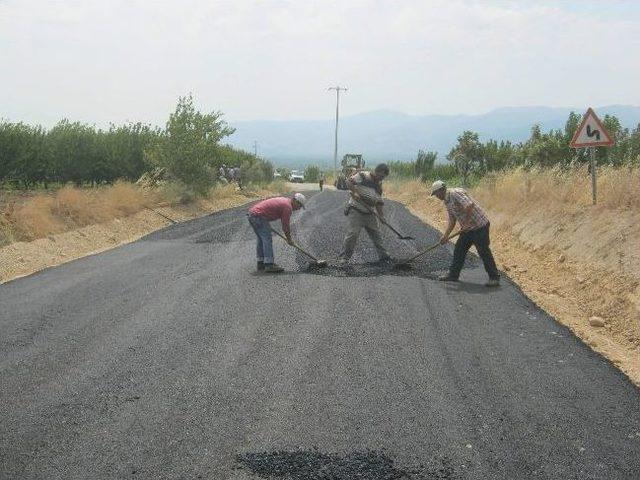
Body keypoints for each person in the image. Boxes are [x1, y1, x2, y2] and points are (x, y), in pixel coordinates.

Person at [430, 180, 500, 287]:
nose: (436, 196)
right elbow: (452, 220)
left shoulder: (454, 193)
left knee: (483, 251)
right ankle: (453, 275)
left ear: (441, 190)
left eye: (436, 193)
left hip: (479, 226)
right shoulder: (447, 201)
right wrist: (446, 236)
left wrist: (467, 223)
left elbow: (469, 205)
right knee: (459, 250)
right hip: (467, 230)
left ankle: (494, 278)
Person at [338, 163, 391, 265]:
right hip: (356, 210)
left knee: (377, 235)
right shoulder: (362, 176)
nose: (382, 179)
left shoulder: (378, 185)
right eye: (381, 176)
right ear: (377, 171)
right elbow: (348, 181)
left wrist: (381, 216)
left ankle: (384, 256)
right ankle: (345, 258)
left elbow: (378, 202)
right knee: (353, 234)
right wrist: (355, 192)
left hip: (369, 213)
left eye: (383, 178)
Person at [247, 193, 306, 273]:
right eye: (300, 206)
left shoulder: (286, 202)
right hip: (258, 216)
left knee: (261, 240)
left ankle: (261, 263)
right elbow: (285, 226)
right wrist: (289, 239)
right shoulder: (287, 207)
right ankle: (269, 264)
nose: (299, 209)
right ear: (296, 202)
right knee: (267, 239)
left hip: (252, 214)